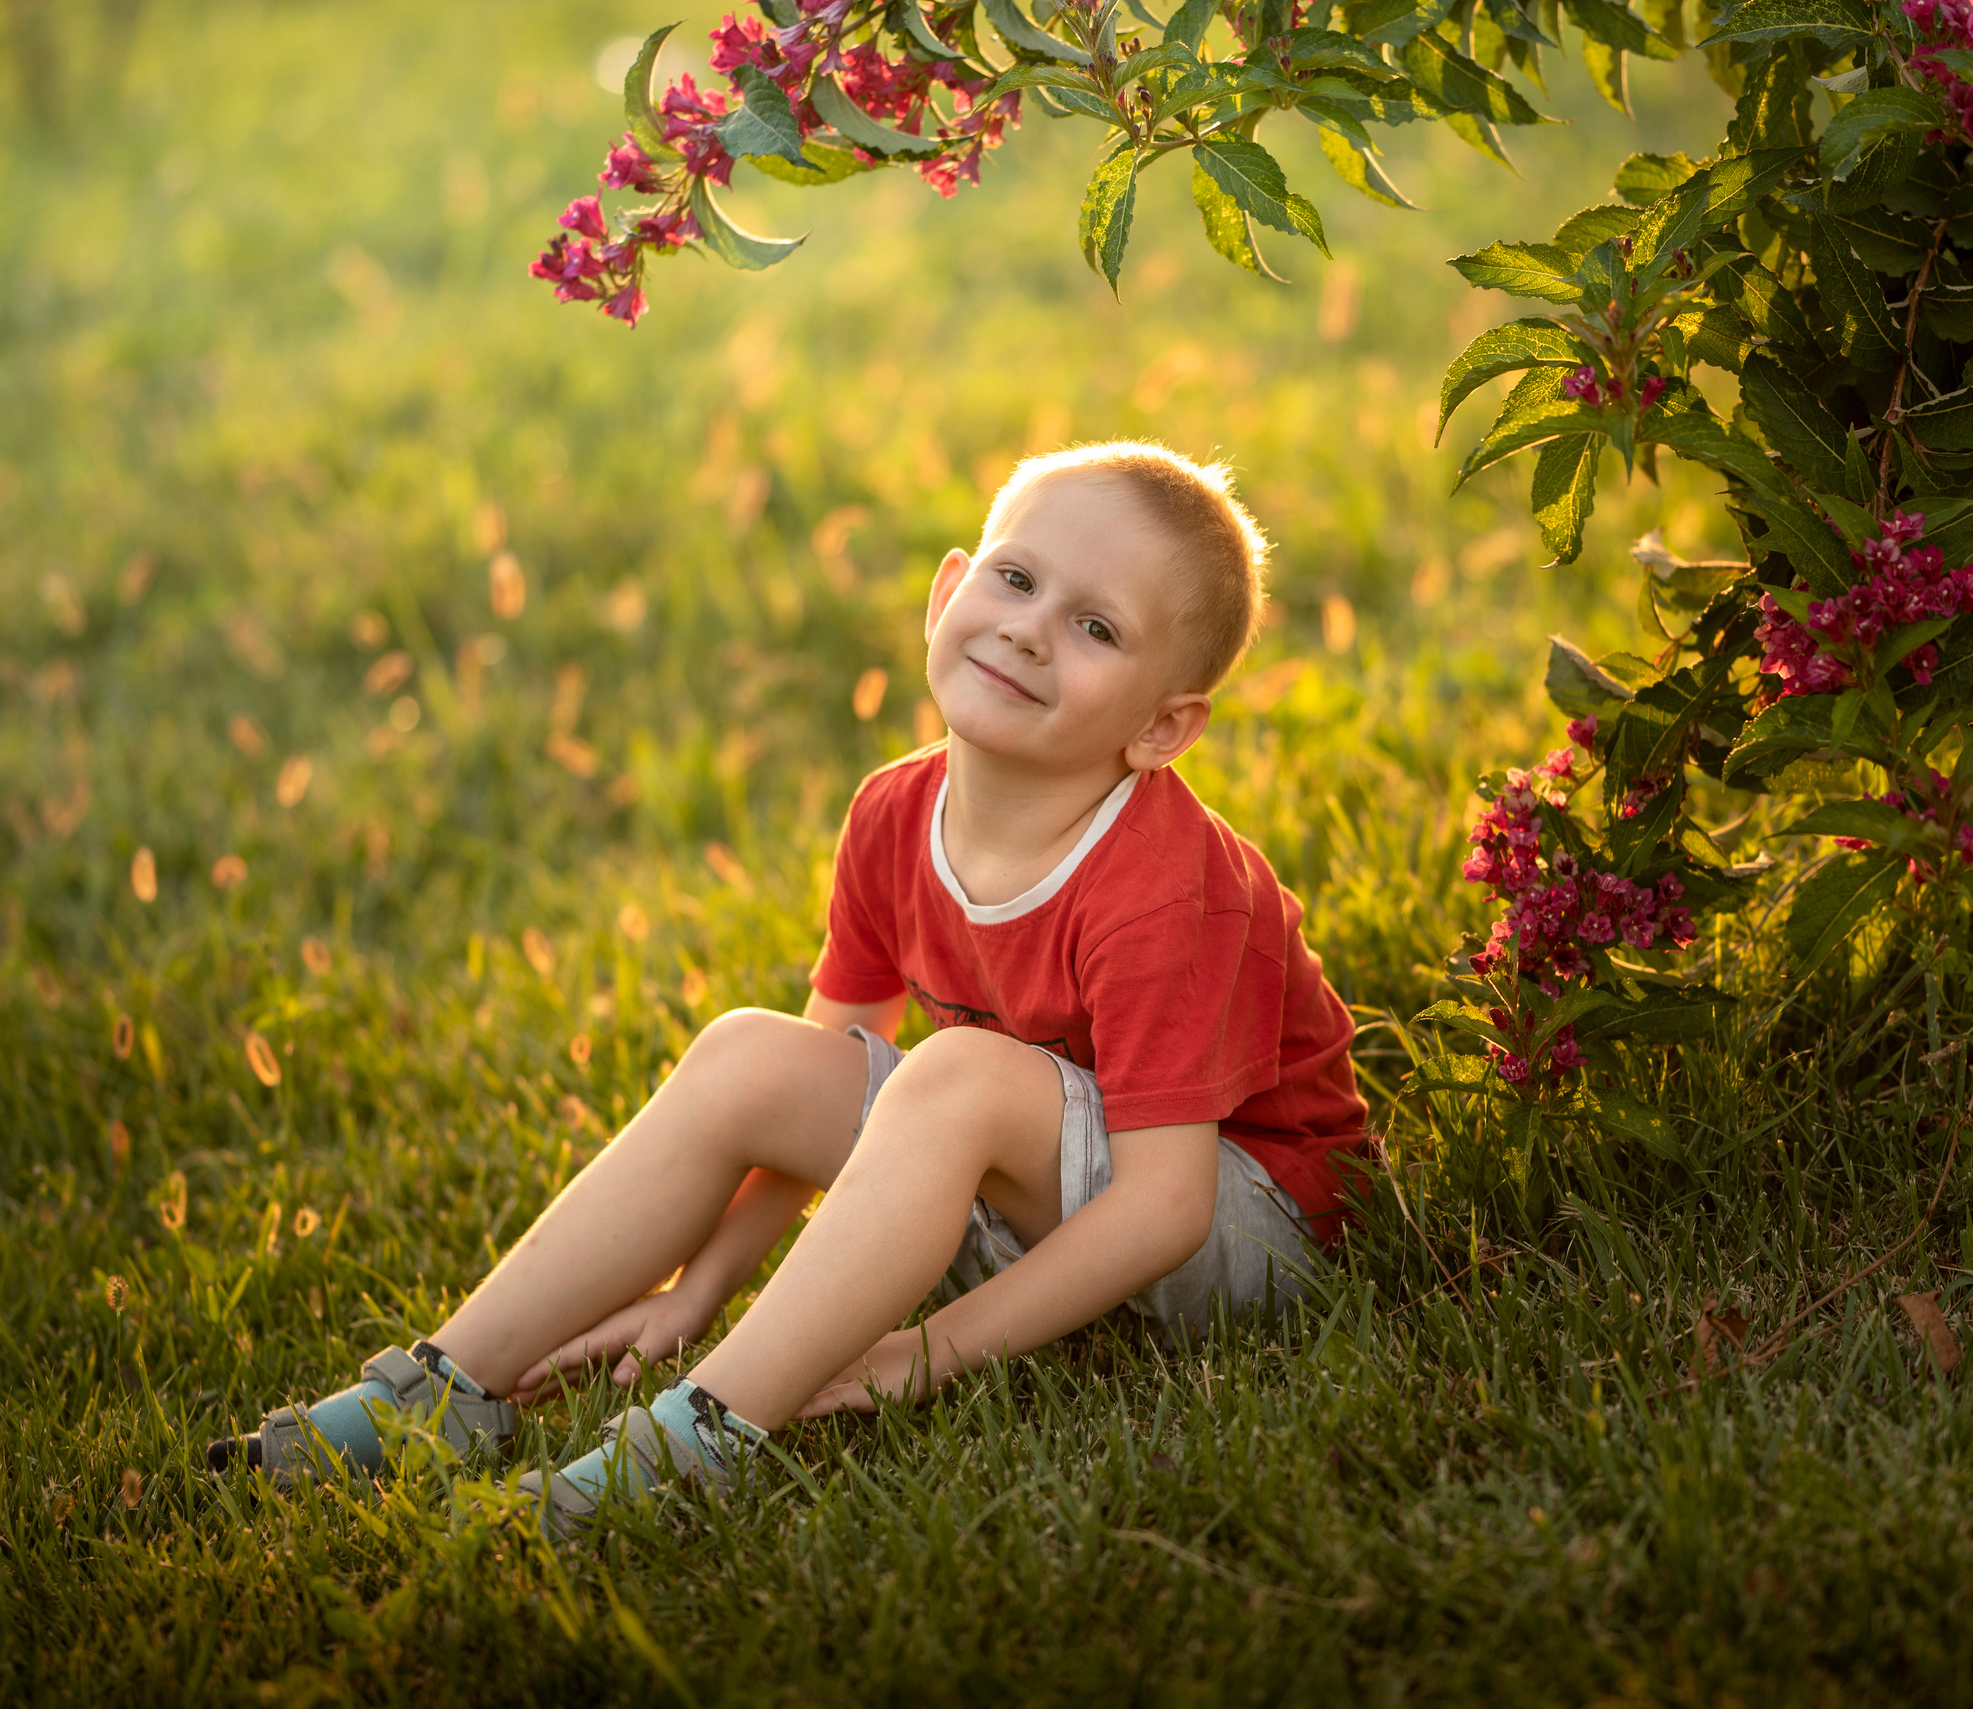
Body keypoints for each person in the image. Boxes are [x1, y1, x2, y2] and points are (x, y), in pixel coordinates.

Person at [207, 441, 1374, 1533]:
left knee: (957, 1072)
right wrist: (700, 1281)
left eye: (1094, 626)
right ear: (945, 592)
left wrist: (919, 1352)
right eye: (1015, 579)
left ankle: (691, 1443)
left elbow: (1163, 1208)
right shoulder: (894, 812)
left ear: (1164, 729)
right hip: (1048, 1194)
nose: (1026, 632)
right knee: (754, 1052)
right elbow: (820, 1098)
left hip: (1244, 1242)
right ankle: (446, 1384)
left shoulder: (1168, 888)